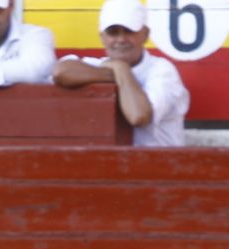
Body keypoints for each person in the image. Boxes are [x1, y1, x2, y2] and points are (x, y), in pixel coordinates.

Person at [53, 0, 189, 147]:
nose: (121, 39)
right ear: (102, 37)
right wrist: (116, 72)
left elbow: (139, 116)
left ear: (145, 34)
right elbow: (61, 72)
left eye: (129, 31)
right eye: (113, 32)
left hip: (161, 166)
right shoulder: (101, 65)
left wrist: (122, 70)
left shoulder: (162, 70)